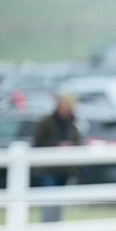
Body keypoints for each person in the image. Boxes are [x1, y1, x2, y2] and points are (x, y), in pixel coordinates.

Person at [33, 93, 82, 222]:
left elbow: (78, 142)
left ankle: (56, 226)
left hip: (65, 168)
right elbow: (38, 142)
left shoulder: (73, 123)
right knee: (49, 197)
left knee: (60, 199)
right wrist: (56, 145)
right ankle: (47, 226)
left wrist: (70, 146)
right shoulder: (46, 122)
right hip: (49, 168)